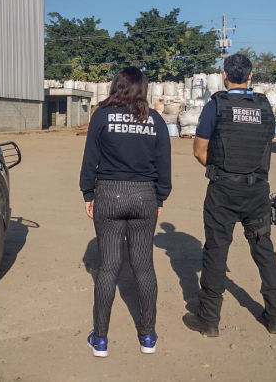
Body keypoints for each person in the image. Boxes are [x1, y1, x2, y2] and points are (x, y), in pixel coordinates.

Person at [182, 53, 276, 337]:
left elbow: (199, 151)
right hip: (257, 190)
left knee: (216, 251)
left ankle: (209, 320)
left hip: (223, 190)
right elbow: (266, 144)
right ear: (251, 76)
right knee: (264, 249)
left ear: (224, 76)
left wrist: (221, 170)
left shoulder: (216, 105)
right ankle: (275, 317)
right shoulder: (265, 106)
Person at [79, 67, 172, 357]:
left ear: (116, 86)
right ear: (143, 89)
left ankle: (101, 340)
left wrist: (88, 193)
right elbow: (164, 164)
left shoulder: (101, 116)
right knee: (143, 266)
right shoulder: (154, 120)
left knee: (108, 268)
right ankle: (148, 337)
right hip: (144, 195)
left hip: (108, 193)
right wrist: (159, 197)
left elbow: (89, 159)